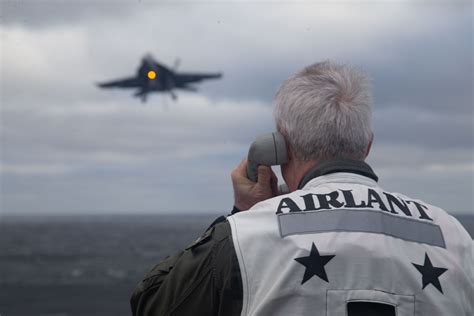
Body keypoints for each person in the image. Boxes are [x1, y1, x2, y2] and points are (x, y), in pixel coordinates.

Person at [130, 61, 473, 316]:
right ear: (367, 145)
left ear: (279, 146)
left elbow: (154, 305)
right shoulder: (455, 238)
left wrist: (243, 214)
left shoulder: (245, 237)